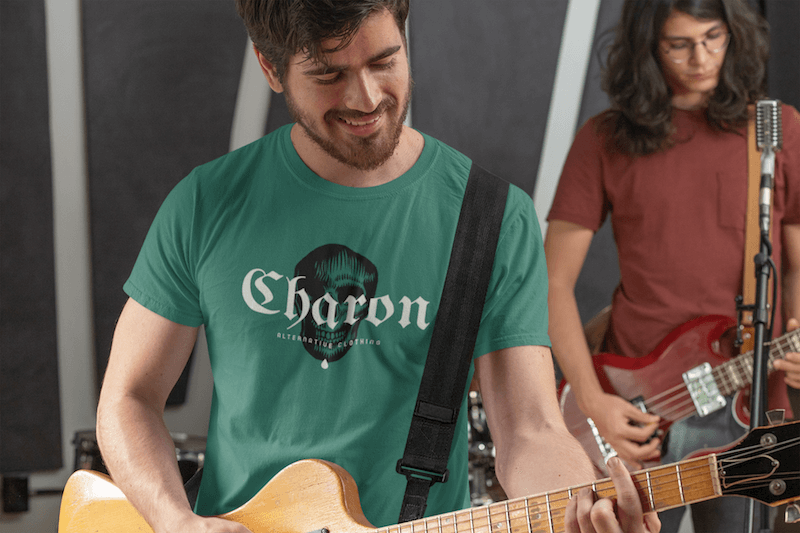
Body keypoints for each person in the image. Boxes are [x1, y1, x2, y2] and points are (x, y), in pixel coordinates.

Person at [95, 1, 658, 533]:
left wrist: (582, 509)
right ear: (271, 66)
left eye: (384, 61)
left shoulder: (492, 217)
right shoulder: (207, 202)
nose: (366, 98)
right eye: (328, 75)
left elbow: (531, 430)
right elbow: (128, 397)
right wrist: (173, 518)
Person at [545, 0, 800, 532]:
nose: (702, 58)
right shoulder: (604, 138)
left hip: (748, 400)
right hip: (640, 407)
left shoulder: (774, 133)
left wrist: (795, 336)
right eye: (679, 44)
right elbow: (551, 282)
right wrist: (593, 402)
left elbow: (795, 266)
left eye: (714, 38)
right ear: (647, 47)